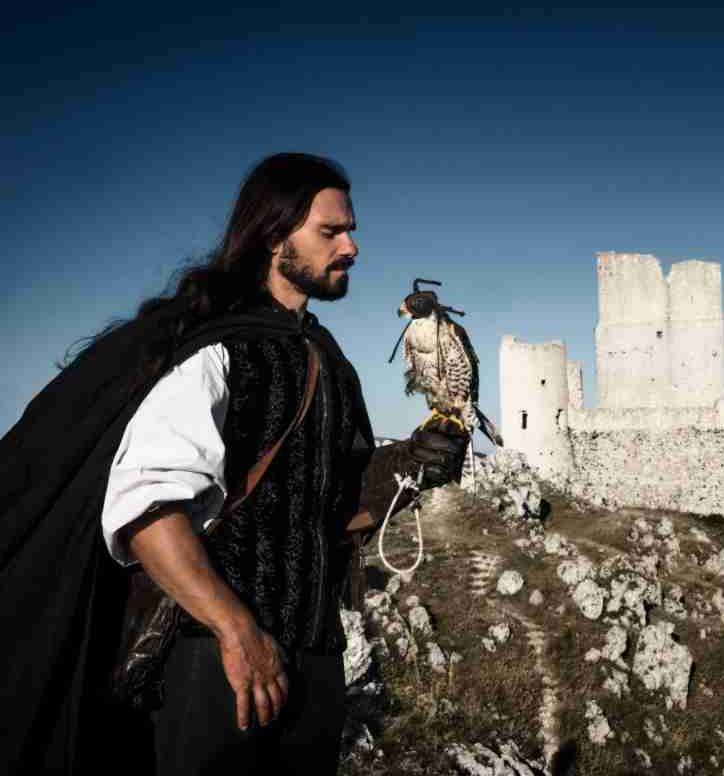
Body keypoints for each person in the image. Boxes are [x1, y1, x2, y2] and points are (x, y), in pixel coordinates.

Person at [0, 152, 469, 774]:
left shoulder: (328, 359)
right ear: (275, 238)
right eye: (331, 231)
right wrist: (236, 632)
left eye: (350, 229)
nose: (352, 246)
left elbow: (335, 501)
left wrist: (412, 464)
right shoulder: (220, 351)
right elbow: (147, 511)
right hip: (215, 666)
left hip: (316, 662)